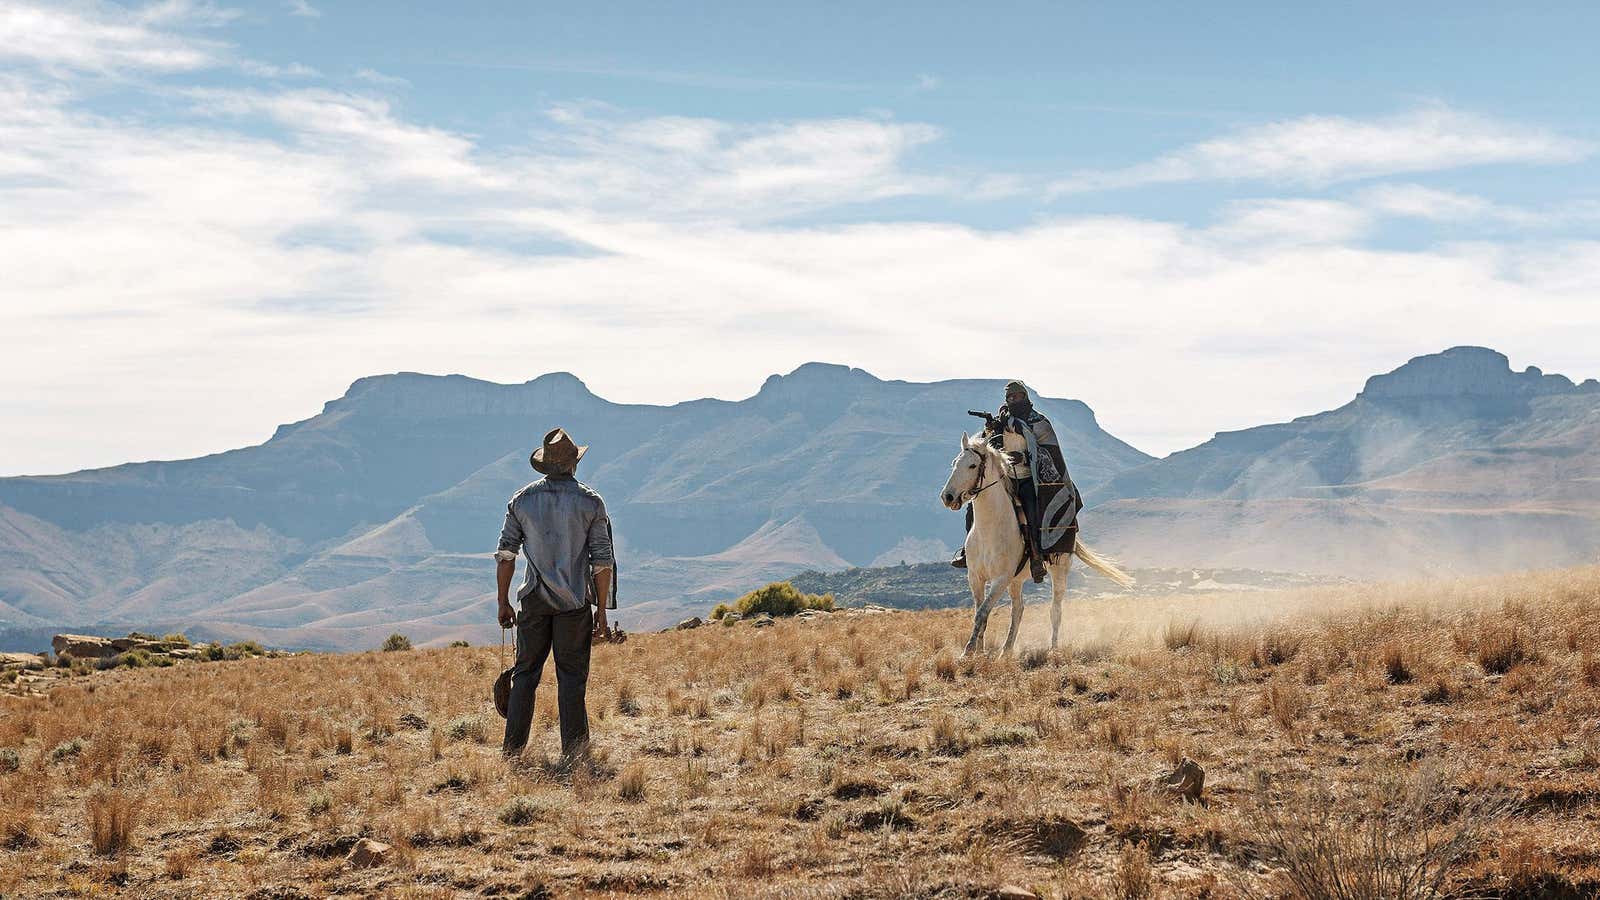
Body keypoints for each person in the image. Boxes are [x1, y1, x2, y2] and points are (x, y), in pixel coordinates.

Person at [494, 427, 614, 761]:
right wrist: (601, 613)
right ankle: (575, 754)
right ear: (574, 464)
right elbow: (601, 563)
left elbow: (506, 555)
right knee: (572, 680)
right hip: (574, 603)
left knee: (525, 677)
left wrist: (503, 601)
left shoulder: (522, 501)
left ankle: (512, 752)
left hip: (533, 599)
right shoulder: (591, 502)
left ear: (545, 465)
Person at [951, 380, 1069, 582]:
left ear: (1026, 397)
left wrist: (1024, 457)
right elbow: (986, 449)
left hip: (1028, 480)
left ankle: (1036, 558)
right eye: (1011, 398)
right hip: (1005, 480)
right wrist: (990, 431)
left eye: (1018, 396)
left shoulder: (1038, 422)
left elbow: (1050, 452)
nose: (1015, 400)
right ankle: (967, 551)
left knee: (1032, 512)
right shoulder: (1001, 422)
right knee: (974, 507)